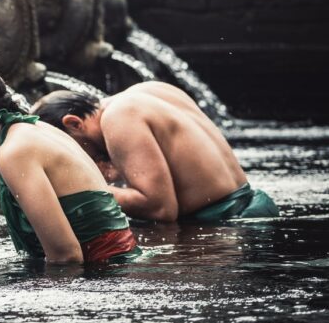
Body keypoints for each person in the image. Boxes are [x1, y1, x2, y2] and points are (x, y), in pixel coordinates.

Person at [0, 55, 141, 264]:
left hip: (109, 273)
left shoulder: (14, 152)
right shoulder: (35, 128)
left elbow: (66, 256)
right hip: (122, 264)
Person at [32, 82, 279, 222]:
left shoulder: (119, 118)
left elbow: (160, 208)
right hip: (250, 211)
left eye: (68, 148)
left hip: (227, 228)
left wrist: (77, 186)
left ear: (74, 123)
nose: (74, 158)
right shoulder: (146, 91)